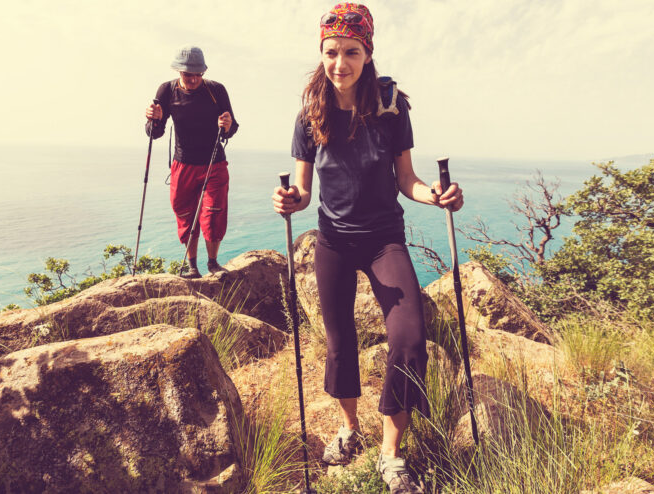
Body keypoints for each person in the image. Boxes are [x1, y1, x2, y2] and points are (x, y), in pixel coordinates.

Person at [272, 4, 464, 493]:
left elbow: (407, 179)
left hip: (383, 240)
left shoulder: (390, 107)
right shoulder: (310, 113)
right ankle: (350, 428)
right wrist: (289, 200)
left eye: (351, 52)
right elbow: (303, 191)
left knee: (409, 339)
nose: (340, 63)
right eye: (331, 52)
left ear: (367, 52)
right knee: (340, 344)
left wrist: (435, 195)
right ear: (321, 52)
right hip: (333, 241)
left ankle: (390, 452)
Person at [145, 46, 239, 278]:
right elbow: (154, 132)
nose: (194, 79)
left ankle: (213, 264)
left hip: (214, 163)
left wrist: (228, 126)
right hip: (183, 164)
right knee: (185, 215)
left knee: (214, 213)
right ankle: (192, 267)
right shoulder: (167, 90)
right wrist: (153, 120)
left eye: (198, 74)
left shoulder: (216, 90)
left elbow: (231, 127)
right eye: (188, 75)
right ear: (179, 71)